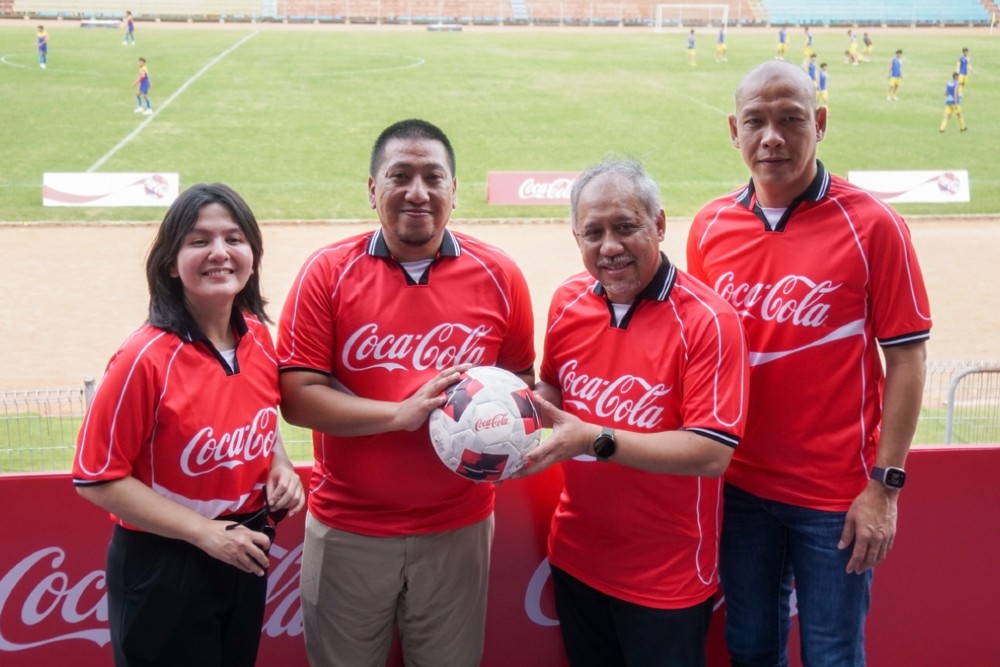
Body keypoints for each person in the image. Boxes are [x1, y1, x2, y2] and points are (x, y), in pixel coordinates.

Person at [687, 60, 932, 667]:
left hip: (837, 499)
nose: (773, 137)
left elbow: (907, 360)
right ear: (733, 131)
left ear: (819, 124)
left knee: (831, 654)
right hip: (739, 487)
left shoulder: (874, 226)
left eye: (791, 120)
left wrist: (885, 487)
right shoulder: (710, 226)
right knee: (750, 646)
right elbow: (699, 354)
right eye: (756, 122)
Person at [277, 118, 535, 667]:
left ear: (454, 191)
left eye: (433, 178)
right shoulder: (326, 274)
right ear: (373, 190)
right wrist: (398, 415)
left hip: (458, 529)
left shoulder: (500, 276)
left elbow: (520, 388)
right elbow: (296, 396)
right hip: (348, 528)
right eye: (400, 176)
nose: (417, 193)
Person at [513, 157, 749, 667]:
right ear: (576, 237)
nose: (610, 247)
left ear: (659, 225)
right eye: (592, 233)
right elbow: (554, 387)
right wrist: (502, 420)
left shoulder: (709, 321)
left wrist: (595, 438)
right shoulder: (568, 302)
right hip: (577, 559)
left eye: (625, 227)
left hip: (666, 580)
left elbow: (711, 452)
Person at [73, 182, 306, 667]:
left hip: (244, 549)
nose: (219, 252)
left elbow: (256, 415)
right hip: (164, 563)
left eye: (233, 239)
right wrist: (205, 533)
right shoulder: (143, 357)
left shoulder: (260, 339)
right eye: (199, 241)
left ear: (253, 254)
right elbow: (97, 478)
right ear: (169, 262)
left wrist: (278, 465)